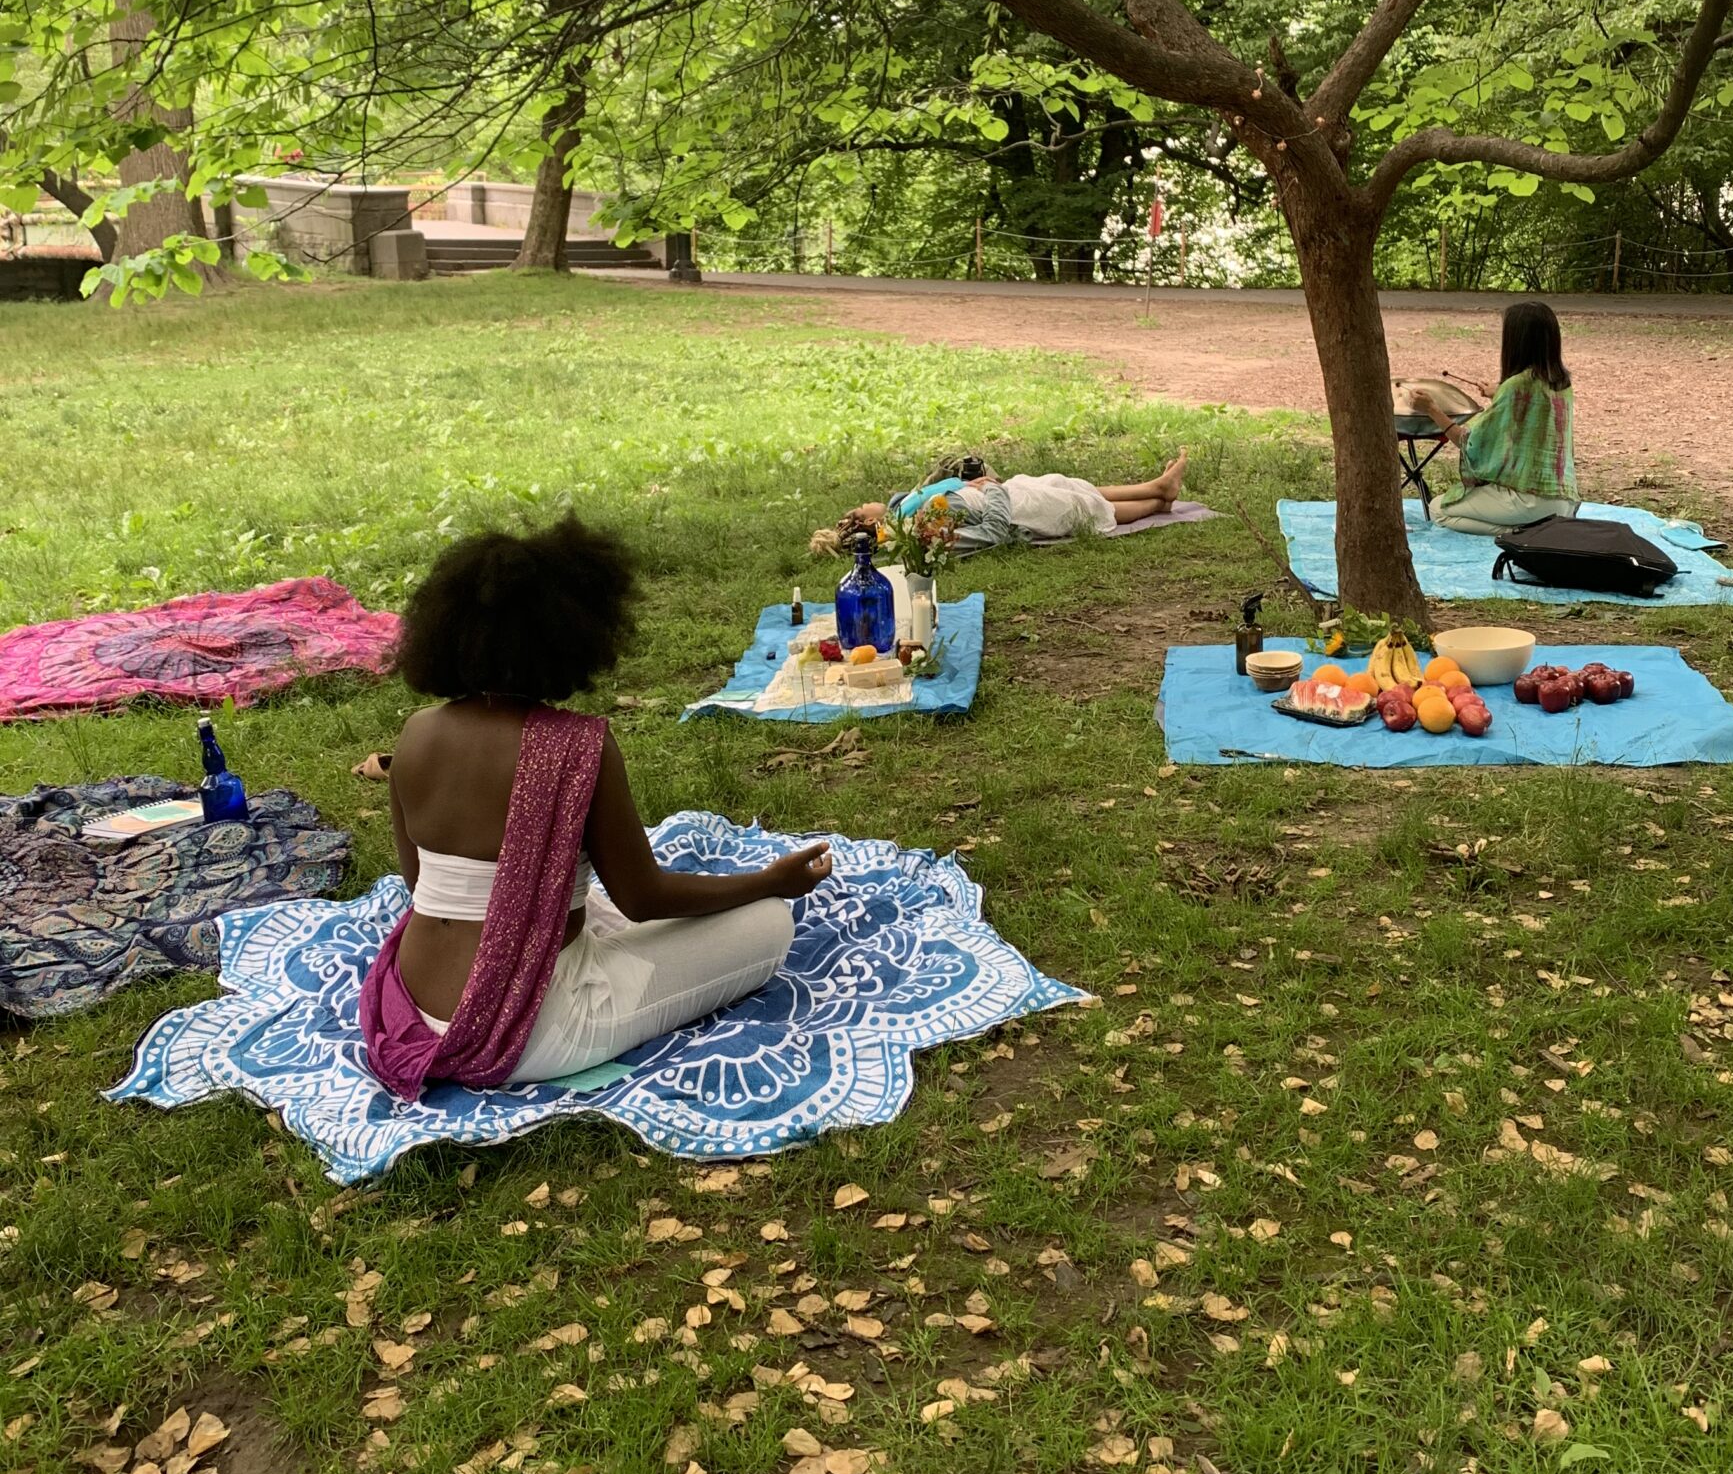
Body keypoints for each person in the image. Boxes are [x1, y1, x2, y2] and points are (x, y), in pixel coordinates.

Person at [359, 516, 829, 1099]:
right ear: (572, 635)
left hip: (410, 1009)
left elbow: (419, 883)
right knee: (768, 924)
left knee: (584, 904)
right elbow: (642, 899)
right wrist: (767, 882)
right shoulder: (576, 745)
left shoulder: (415, 734)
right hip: (528, 1032)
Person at [810, 451, 1190, 558]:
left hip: (1001, 493)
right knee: (1084, 508)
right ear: (872, 529)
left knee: (1063, 483)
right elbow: (991, 532)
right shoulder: (921, 536)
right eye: (860, 513)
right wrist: (991, 489)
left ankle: (1155, 485)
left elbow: (911, 499)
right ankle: (1158, 504)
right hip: (1012, 509)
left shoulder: (902, 514)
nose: (862, 503)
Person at [1410, 300, 1578, 539]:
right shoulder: (1562, 383)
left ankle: (1519, 532)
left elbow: (1470, 443)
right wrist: (1499, 393)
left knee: (1439, 509)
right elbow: (1531, 411)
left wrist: (1432, 409)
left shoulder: (1515, 387)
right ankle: (1536, 528)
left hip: (1529, 504)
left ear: (1517, 342)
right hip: (1564, 503)